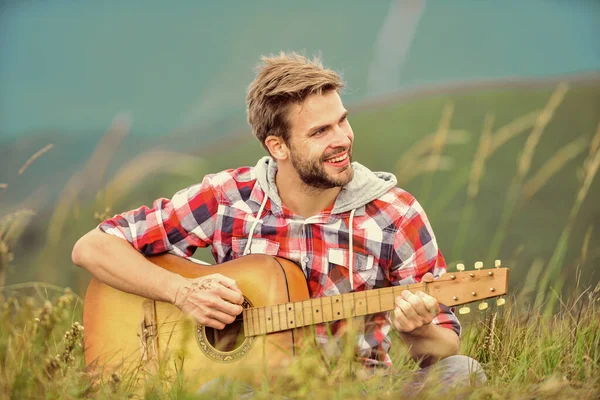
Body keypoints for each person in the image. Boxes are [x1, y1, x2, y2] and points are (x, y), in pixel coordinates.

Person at [72, 52, 485, 395]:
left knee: (462, 372)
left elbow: (446, 343)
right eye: (320, 131)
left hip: (360, 388)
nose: (341, 139)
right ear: (278, 146)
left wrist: (416, 329)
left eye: (342, 120)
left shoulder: (396, 214)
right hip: (254, 389)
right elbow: (93, 246)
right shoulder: (226, 197)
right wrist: (181, 292)